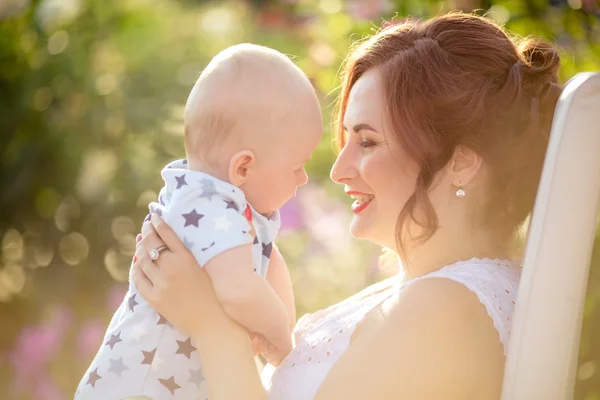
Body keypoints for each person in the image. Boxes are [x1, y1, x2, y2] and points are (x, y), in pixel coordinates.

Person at [132, 12, 562, 400]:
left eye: (368, 141)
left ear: (462, 162)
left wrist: (211, 327)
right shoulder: (428, 292)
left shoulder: (444, 310)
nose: (339, 169)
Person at [76, 44, 322, 399]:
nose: (302, 179)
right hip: (142, 387)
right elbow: (239, 289)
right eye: (297, 167)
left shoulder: (228, 206)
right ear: (243, 168)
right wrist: (283, 340)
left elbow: (266, 264)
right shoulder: (207, 206)